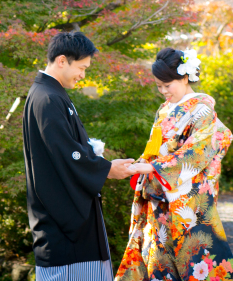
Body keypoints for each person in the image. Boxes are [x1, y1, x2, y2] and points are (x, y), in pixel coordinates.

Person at [23, 31, 150, 281]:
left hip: (70, 215)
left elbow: (69, 149)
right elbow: (65, 154)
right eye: (81, 67)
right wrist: (106, 169)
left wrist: (101, 164)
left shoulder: (52, 94)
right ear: (62, 61)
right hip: (62, 223)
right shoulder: (46, 98)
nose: (83, 75)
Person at [115, 48, 233, 281]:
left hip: (187, 198)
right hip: (160, 194)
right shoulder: (164, 110)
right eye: (159, 86)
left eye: (167, 85)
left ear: (184, 78)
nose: (163, 91)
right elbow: (155, 148)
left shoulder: (202, 108)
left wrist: (155, 168)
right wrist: (141, 163)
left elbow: (200, 149)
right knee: (158, 256)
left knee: (194, 257)